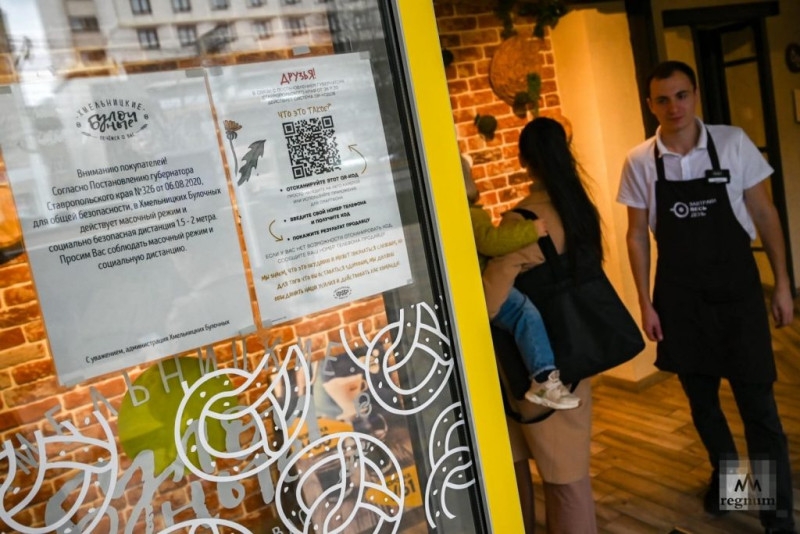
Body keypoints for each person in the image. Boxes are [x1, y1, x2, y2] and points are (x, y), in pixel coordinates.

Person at [617, 60, 795, 531]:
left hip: (738, 295)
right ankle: (731, 484)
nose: (673, 107)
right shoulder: (640, 161)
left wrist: (782, 283)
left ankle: (777, 517)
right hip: (680, 299)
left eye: (681, 95)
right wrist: (644, 302)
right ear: (650, 104)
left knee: (758, 408)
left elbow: (765, 212)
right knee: (704, 404)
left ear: (695, 95)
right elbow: (636, 235)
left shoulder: (732, 143)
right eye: (662, 99)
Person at [483, 117, 600, 533]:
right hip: (576, 355)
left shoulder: (524, 220)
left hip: (531, 371)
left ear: (523, 161)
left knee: (530, 480)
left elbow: (489, 301)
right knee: (568, 477)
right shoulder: (580, 211)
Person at [462, 155, 580, 410]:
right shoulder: (470, 214)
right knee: (525, 314)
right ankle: (544, 379)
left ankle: (545, 379)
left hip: (474, 286)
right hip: (485, 287)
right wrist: (531, 230)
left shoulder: (456, 214)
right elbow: (491, 242)